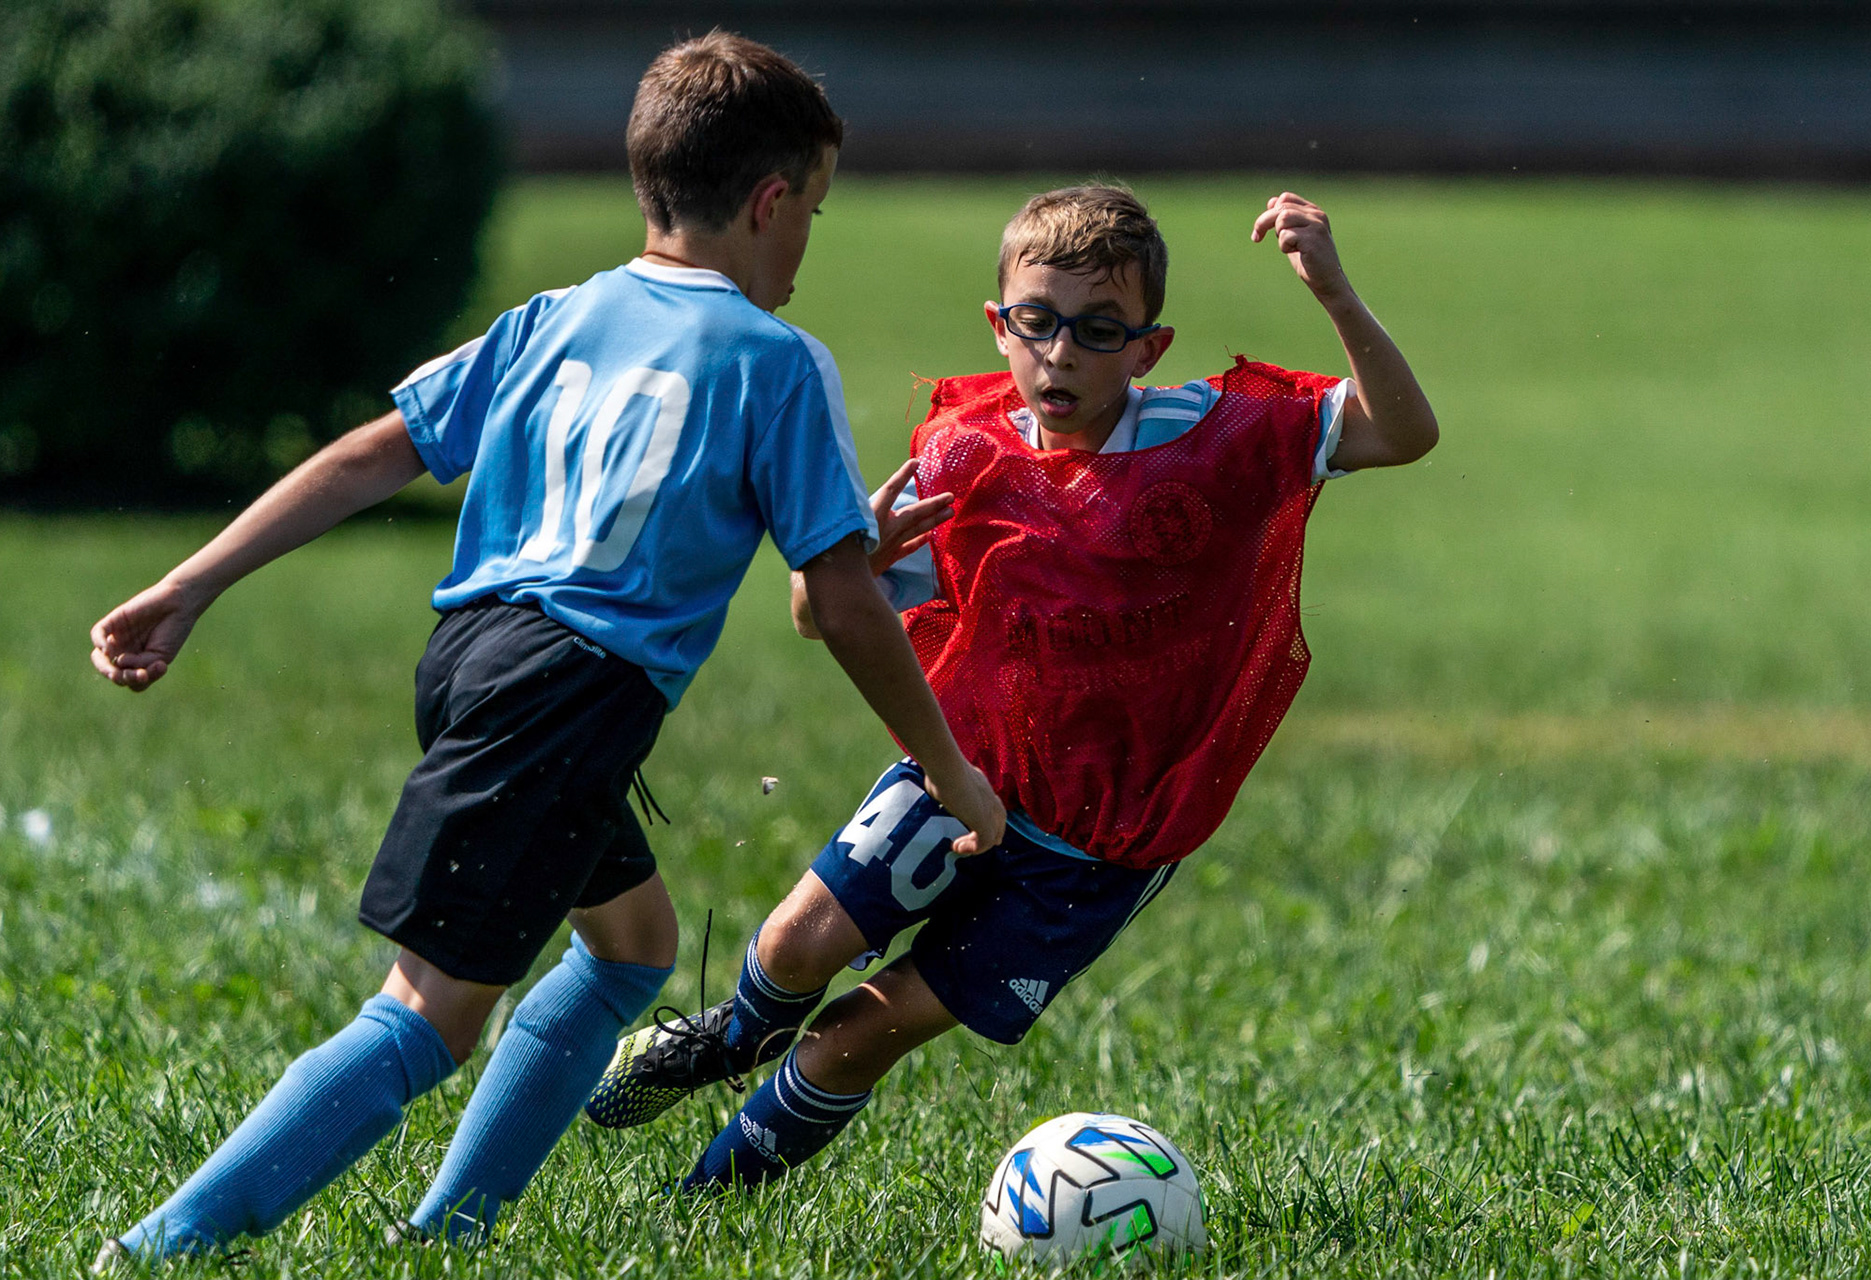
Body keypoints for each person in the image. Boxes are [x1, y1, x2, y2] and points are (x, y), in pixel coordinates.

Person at [87, 32, 1002, 1264]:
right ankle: (160, 1247)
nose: (805, 243)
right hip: (567, 696)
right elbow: (841, 606)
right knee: (428, 1015)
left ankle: (454, 1232)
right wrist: (947, 767)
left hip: (474, 657)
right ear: (768, 201)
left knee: (634, 948)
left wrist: (191, 582)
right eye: (812, 214)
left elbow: (373, 452)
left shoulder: (556, 315)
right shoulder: (776, 359)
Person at [583, 183, 1438, 1191]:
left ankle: (699, 1206)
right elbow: (817, 616)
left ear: (1148, 349)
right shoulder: (963, 453)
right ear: (999, 325)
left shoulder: (1219, 437)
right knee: (794, 941)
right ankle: (733, 1035)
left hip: (1098, 849)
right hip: (960, 776)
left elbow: (1404, 432)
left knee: (858, 1036)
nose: (1061, 353)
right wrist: (857, 559)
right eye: (1037, 322)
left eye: (1098, 329)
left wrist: (1333, 291)